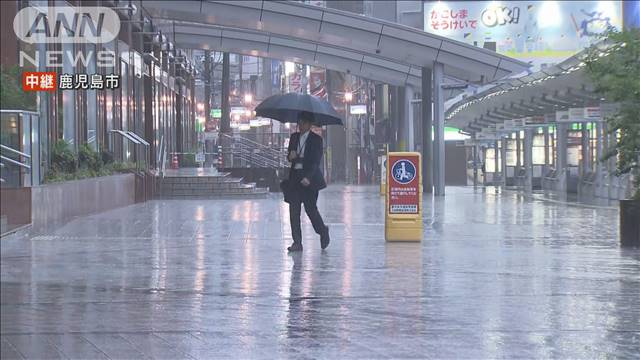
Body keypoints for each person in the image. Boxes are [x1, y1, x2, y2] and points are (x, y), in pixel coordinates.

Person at [286, 113, 330, 252]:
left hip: (309, 180)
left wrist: (308, 178)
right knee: (294, 211)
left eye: (303, 123)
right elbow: (289, 156)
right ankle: (297, 242)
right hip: (295, 179)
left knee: (311, 210)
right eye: (299, 122)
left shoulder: (316, 140)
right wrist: (290, 156)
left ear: (309, 124)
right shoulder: (294, 137)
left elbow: (316, 162)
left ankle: (323, 231)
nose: (300, 125)